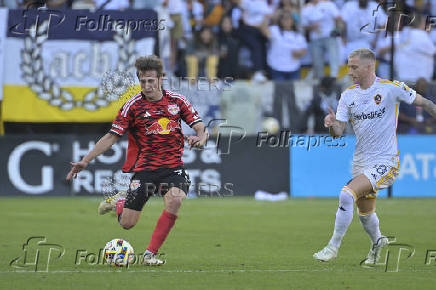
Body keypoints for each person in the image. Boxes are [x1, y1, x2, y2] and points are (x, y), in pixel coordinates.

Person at [66, 55, 209, 265]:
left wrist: (201, 138)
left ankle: (150, 255)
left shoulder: (178, 102)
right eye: (143, 81)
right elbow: (111, 136)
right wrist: (86, 160)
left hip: (173, 168)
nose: (147, 85)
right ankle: (119, 203)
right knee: (127, 224)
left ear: (161, 79)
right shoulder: (132, 106)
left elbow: (200, 127)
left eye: (151, 80)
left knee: (176, 199)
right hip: (145, 170)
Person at [313, 48, 436, 263]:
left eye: (354, 67)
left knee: (346, 194)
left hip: (386, 161)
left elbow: (425, 103)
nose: (350, 71)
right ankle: (378, 243)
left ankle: (332, 247)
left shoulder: (391, 89)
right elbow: (338, 133)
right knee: (366, 214)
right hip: (361, 162)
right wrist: (331, 125)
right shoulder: (348, 95)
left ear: (369, 67)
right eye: (349, 66)